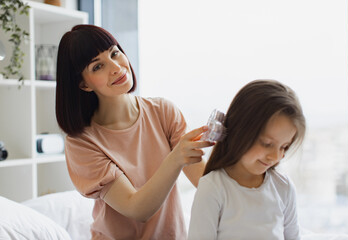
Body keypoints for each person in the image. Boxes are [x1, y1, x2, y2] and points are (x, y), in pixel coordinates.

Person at [55, 24, 213, 240]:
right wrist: (176, 158)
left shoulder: (163, 112)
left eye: (114, 53)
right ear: (84, 84)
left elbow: (206, 184)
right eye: (97, 66)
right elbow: (137, 209)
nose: (116, 67)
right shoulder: (82, 143)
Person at [188, 80, 306, 240]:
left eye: (283, 147)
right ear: (240, 132)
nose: (275, 156)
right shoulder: (213, 188)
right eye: (267, 144)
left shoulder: (283, 187)